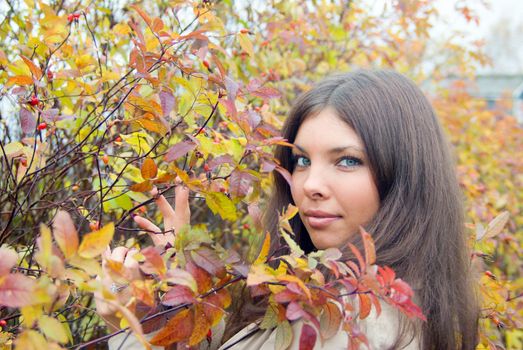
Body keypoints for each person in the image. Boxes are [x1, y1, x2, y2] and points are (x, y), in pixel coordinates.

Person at [100, 70, 479, 349]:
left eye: (346, 161)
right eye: (300, 161)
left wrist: (128, 323)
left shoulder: (348, 322)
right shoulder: (333, 296)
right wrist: (170, 301)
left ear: (404, 175)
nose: (310, 184)